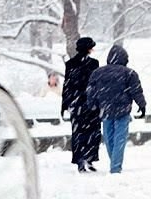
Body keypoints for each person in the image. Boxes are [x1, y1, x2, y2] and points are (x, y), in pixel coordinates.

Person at [84, 43, 147, 174]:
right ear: (124, 58)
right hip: (122, 110)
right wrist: (142, 105)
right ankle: (115, 166)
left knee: (108, 137)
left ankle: (114, 163)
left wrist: (92, 105)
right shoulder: (129, 73)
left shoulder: (98, 73)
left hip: (105, 109)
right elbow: (136, 91)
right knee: (120, 138)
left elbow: (91, 91)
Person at [61, 37, 102, 172]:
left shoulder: (70, 64)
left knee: (78, 132)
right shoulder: (94, 64)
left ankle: (80, 160)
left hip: (76, 103)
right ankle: (90, 159)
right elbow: (97, 85)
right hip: (91, 103)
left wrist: (64, 104)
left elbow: (67, 85)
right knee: (93, 132)